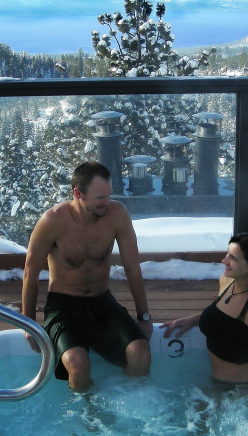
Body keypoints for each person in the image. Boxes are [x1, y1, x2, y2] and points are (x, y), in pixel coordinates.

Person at [22, 161, 152, 391]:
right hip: (64, 309)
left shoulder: (117, 215)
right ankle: (87, 419)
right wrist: (29, 323)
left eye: (109, 195)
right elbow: (30, 274)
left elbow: (132, 267)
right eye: (100, 197)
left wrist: (144, 316)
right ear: (77, 193)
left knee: (140, 352)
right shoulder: (53, 221)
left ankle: (134, 408)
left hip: (103, 303)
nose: (107, 202)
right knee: (79, 367)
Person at [161, 232, 248, 393]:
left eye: (233, 258)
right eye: (227, 254)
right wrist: (194, 319)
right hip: (215, 385)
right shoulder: (227, 282)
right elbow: (224, 320)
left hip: (240, 392)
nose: (224, 261)